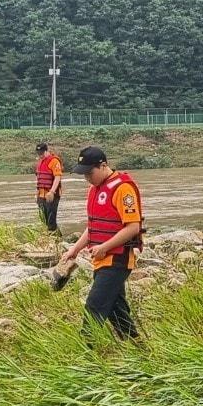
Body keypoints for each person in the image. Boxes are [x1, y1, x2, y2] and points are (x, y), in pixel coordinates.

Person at [60, 146, 143, 341]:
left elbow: (133, 227)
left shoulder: (123, 188)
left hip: (118, 259)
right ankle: (139, 349)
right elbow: (94, 226)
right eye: (84, 174)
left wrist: (104, 247)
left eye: (90, 173)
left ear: (103, 166)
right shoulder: (94, 190)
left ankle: (87, 352)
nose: (87, 178)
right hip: (101, 259)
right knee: (116, 309)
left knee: (95, 306)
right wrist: (75, 249)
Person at [35, 142, 63, 234]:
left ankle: (54, 237)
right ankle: (56, 235)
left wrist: (52, 192)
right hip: (41, 194)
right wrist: (36, 193)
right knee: (43, 217)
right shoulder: (40, 162)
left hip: (51, 194)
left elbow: (57, 177)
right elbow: (39, 179)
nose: (40, 155)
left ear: (47, 151)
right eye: (39, 154)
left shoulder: (54, 161)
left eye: (42, 153)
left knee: (51, 217)